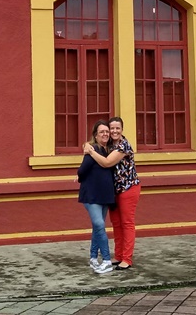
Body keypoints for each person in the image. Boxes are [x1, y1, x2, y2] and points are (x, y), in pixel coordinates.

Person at [84, 116, 140, 270]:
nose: (114, 131)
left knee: (127, 223)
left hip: (128, 188)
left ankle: (127, 259)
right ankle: (119, 255)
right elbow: (95, 142)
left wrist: (90, 151)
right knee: (116, 223)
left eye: (117, 128)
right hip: (113, 191)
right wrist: (88, 146)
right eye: (112, 128)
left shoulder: (123, 145)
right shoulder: (109, 144)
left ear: (122, 129)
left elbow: (107, 162)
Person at [77, 120, 115, 274]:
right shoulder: (93, 151)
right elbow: (81, 171)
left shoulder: (111, 150)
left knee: (97, 228)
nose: (105, 134)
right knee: (99, 225)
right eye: (101, 132)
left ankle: (93, 257)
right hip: (91, 195)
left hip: (105, 195)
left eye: (107, 131)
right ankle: (106, 260)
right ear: (95, 135)